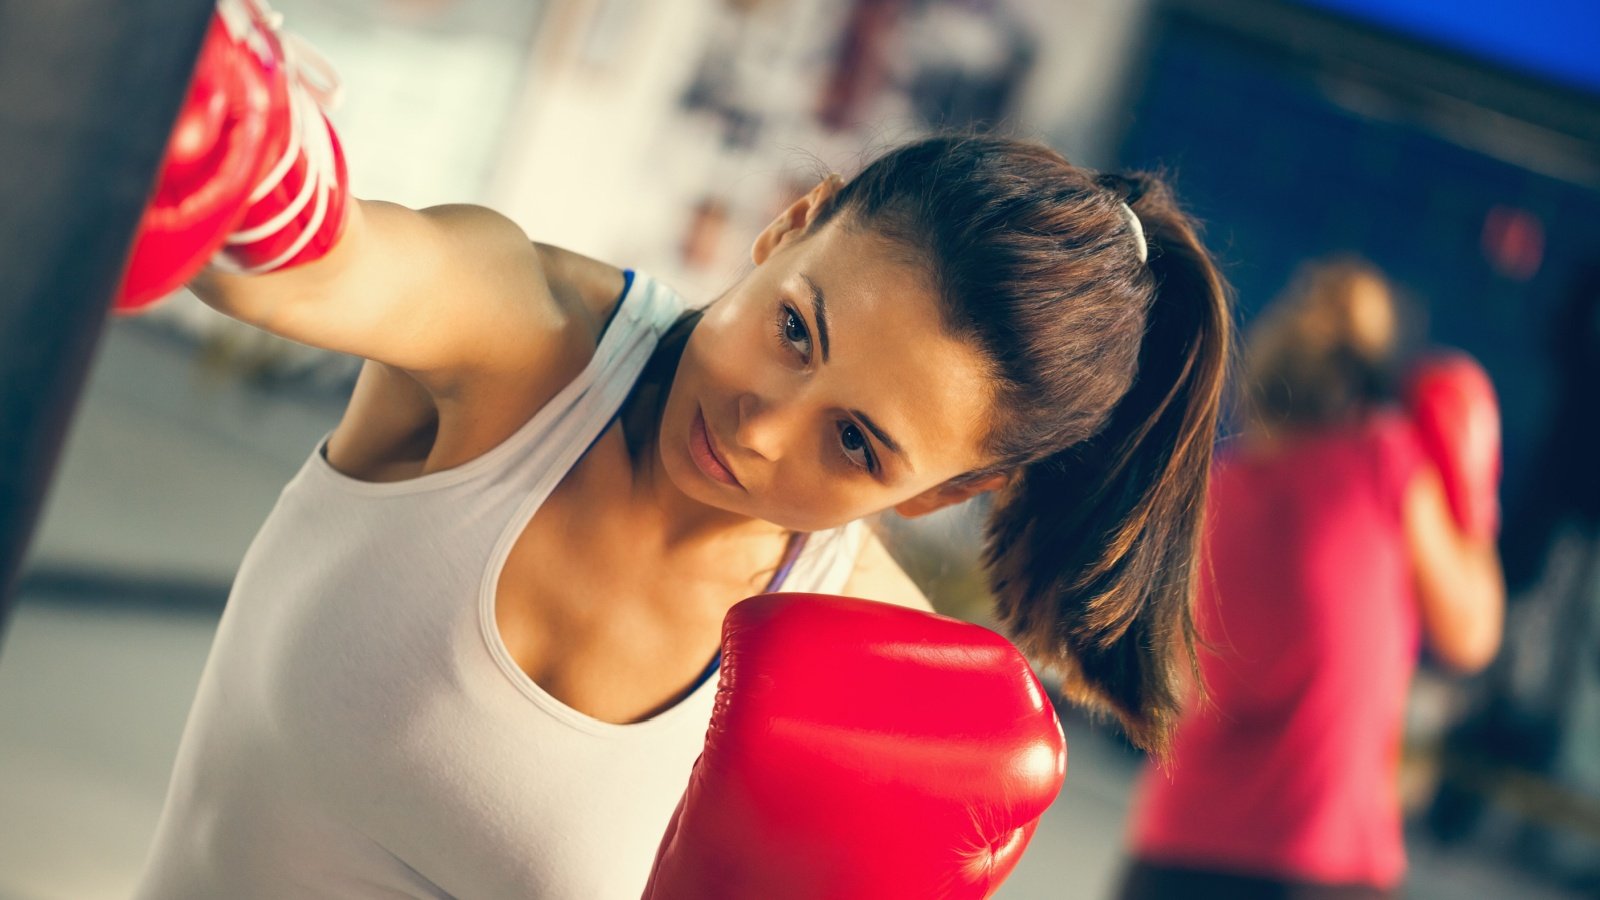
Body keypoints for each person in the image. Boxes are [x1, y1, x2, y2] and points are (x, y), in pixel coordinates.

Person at [127, 4, 1231, 896]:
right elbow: (316, 261)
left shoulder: (887, 689)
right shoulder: (525, 341)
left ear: (952, 489)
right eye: (795, 327)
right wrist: (246, 136)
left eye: (853, 442)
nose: (759, 425)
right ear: (788, 226)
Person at [1118, 259, 1507, 900]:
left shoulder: (1219, 487)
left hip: (1171, 847)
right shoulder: (1386, 464)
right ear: (1372, 379)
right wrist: (1473, 501)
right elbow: (1472, 634)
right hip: (1315, 859)